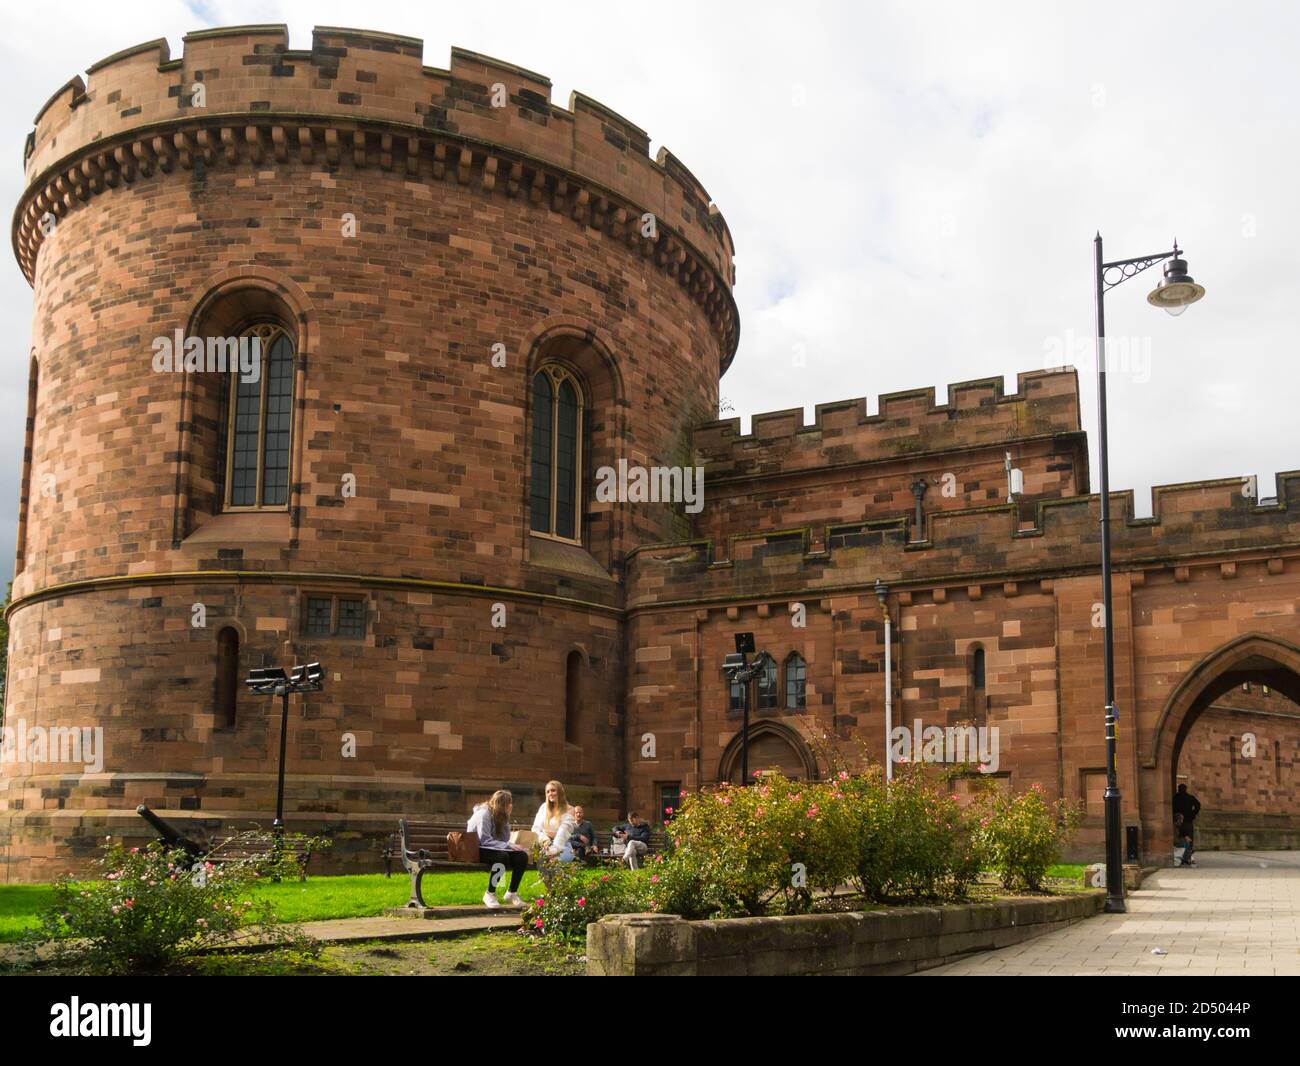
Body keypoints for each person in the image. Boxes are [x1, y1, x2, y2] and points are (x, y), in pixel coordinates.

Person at [466, 789, 529, 908]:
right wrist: (509, 845)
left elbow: (504, 839)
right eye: (508, 803)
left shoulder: (500, 815)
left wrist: (506, 818)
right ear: (502, 805)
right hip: (477, 849)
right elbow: (484, 840)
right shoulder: (483, 814)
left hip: (492, 847)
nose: (511, 806)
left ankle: (512, 892)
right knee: (502, 857)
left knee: (521, 856)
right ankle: (490, 893)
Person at [531, 779, 576, 865]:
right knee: (543, 863)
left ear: (560, 791)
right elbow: (535, 828)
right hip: (544, 845)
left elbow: (563, 831)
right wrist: (545, 840)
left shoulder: (570, 809)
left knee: (555, 862)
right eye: (547, 792)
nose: (550, 793)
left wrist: (554, 849)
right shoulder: (543, 807)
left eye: (553, 790)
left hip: (562, 846)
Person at [1173, 783, 1201, 866]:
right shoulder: (1189, 797)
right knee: (1188, 839)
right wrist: (1193, 814)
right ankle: (1187, 857)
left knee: (1186, 839)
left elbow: (1197, 805)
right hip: (1187, 820)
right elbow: (1198, 805)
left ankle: (1185, 857)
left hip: (1179, 819)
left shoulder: (1176, 798)